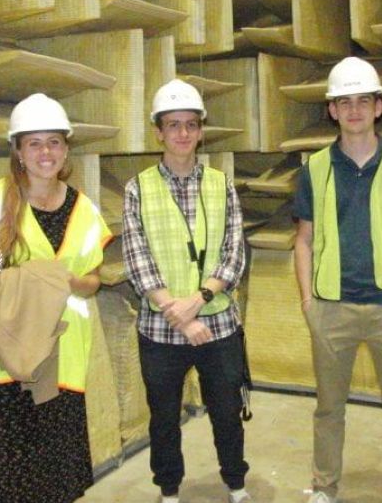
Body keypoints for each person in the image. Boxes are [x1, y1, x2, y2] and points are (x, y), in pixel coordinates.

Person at [0, 93, 111, 503]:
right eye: (34, 142)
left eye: (54, 141)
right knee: (9, 479)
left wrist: (70, 281)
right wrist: (21, 283)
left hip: (63, 360)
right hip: (8, 362)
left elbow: (94, 279)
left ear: (67, 148)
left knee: (58, 478)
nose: (45, 152)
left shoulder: (84, 209)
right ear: (18, 150)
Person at [293, 57, 382, 503]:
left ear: (378, 106)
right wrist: (308, 304)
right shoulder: (314, 169)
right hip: (331, 307)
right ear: (332, 110)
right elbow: (303, 240)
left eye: (363, 101)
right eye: (344, 102)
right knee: (329, 409)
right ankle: (324, 488)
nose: (353, 110)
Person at [122, 79, 252, 503]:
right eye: (172, 125)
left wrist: (196, 303)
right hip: (160, 332)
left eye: (190, 125)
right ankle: (170, 491)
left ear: (200, 131)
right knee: (163, 419)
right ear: (158, 131)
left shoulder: (222, 184)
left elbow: (234, 255)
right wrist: (175, 313)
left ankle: (236, 483)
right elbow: (138, 261)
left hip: (218, 326)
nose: (182, 133)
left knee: (228, 414)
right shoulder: (137, 189)